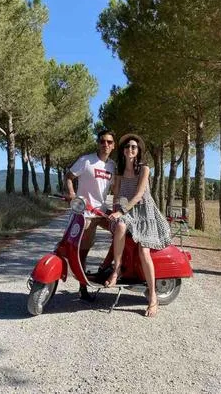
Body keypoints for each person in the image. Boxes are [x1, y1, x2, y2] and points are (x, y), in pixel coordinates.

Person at [106, 133, 171, 317]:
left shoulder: (144, 169)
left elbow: (139, 194)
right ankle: (116, 269)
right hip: (126, 211)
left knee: (144, 251)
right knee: (119, 226)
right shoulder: (119, 173)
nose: (130, 149)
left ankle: (152, 297)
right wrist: (114, 210)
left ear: (138, 150)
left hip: (144, 212)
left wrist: (121, 211)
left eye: (134, 147)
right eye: (127, 147)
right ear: (123, 150)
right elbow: (117, 196)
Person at [65, 129, 116, 301]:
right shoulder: (86, 160)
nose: (105, 145)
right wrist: (72, 193)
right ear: (98, 143)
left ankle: (106, 269)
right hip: (86, 213)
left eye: (109, 142)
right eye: (102, 141)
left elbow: (116, 189)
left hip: (101, 211)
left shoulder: (112, 166)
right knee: (83, 252)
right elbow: (69, 176)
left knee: (123, 232)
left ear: (113, 146)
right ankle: (83, 287)